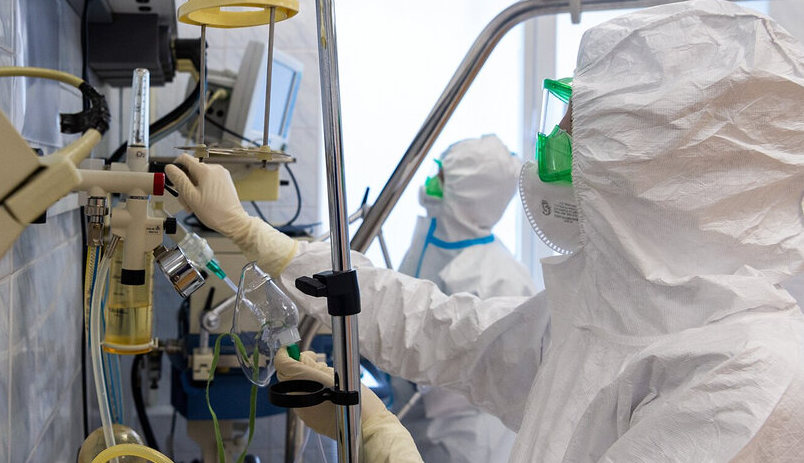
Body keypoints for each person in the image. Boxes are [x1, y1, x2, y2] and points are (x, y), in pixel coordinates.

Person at [166, 0, 804, 461]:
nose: (549, 156)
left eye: (577, 133)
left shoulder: (743, 383)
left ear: (660, 177)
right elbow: (449, 333)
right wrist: (253, 235)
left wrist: (381, 440)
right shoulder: (612, 313)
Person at [396, 134, 534, 463]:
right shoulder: (430, 242)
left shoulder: (501, 278)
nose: (431, 182)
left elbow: (504, 374)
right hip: (418, 421)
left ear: (468, 193)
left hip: (466, 439)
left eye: (442, 176)